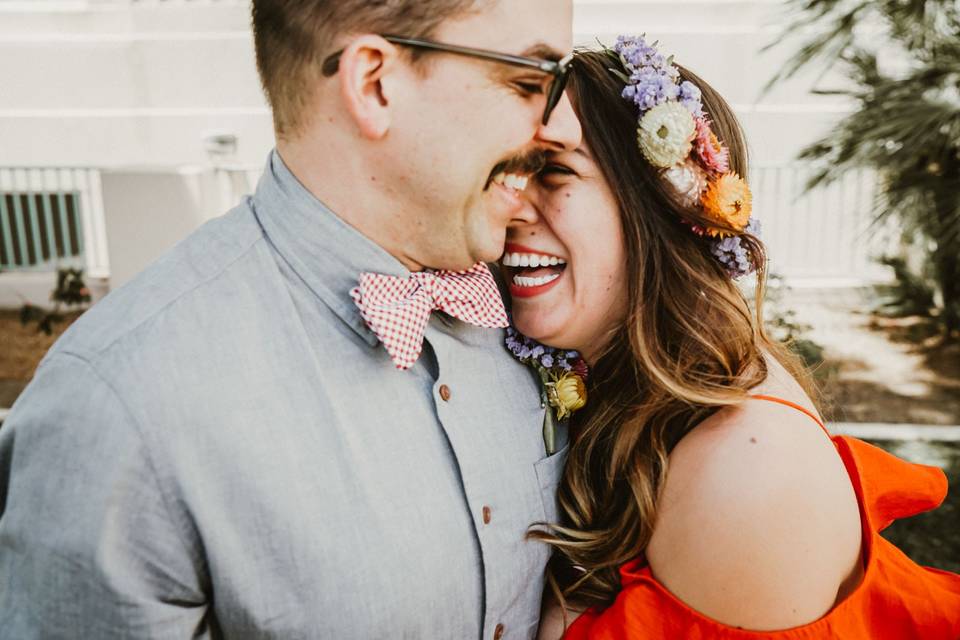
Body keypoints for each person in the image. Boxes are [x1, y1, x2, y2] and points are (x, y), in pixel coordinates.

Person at [0, 1, 582, 637]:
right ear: (375, 85)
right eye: (532, 80)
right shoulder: (118, 408)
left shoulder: (536, 304)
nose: (562, 129)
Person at [499, 38, 960, 638]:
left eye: (554, 173)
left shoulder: (743, 470)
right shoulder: (636, 390)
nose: (510, 208)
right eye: (507, 173)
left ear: (660, 206)